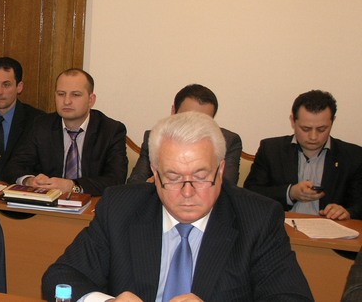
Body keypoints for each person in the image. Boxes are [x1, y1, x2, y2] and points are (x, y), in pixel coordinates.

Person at [42, 112, 313, 302]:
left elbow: (292, 298)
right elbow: (60, 277)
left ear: (220, 171)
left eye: (200, 176)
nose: (187, 192)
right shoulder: (120, 208)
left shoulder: (257, 218)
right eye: (172, 177)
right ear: (154, 172)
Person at [3, 68, 127, 196]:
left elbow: (116, 179)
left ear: (91, 100)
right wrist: (29, 181)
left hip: (93, 203)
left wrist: (73, 186)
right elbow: (13, 166)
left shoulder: (111, 130)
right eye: (61, 94)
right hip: (48, 203)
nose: (67, 101)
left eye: (75, 95)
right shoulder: (41, 125)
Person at [244, 90, 362, 220]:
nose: (313, 136)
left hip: (330, 230)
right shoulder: (271, 149)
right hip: (280, 227)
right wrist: (290, 193)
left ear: (332, 121)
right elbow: (250, 193)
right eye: (305, 129)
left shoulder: (353, 156)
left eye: (321, 129)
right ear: (293, 121)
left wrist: (347, 212)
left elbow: (359, 204)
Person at [127, 84, 242, 184]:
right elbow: (135, 183)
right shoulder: (156, 138)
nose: (193, 126)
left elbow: (227, 188)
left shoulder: (228, 142)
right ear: (173, 111)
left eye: (203, 120)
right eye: (186, 118)